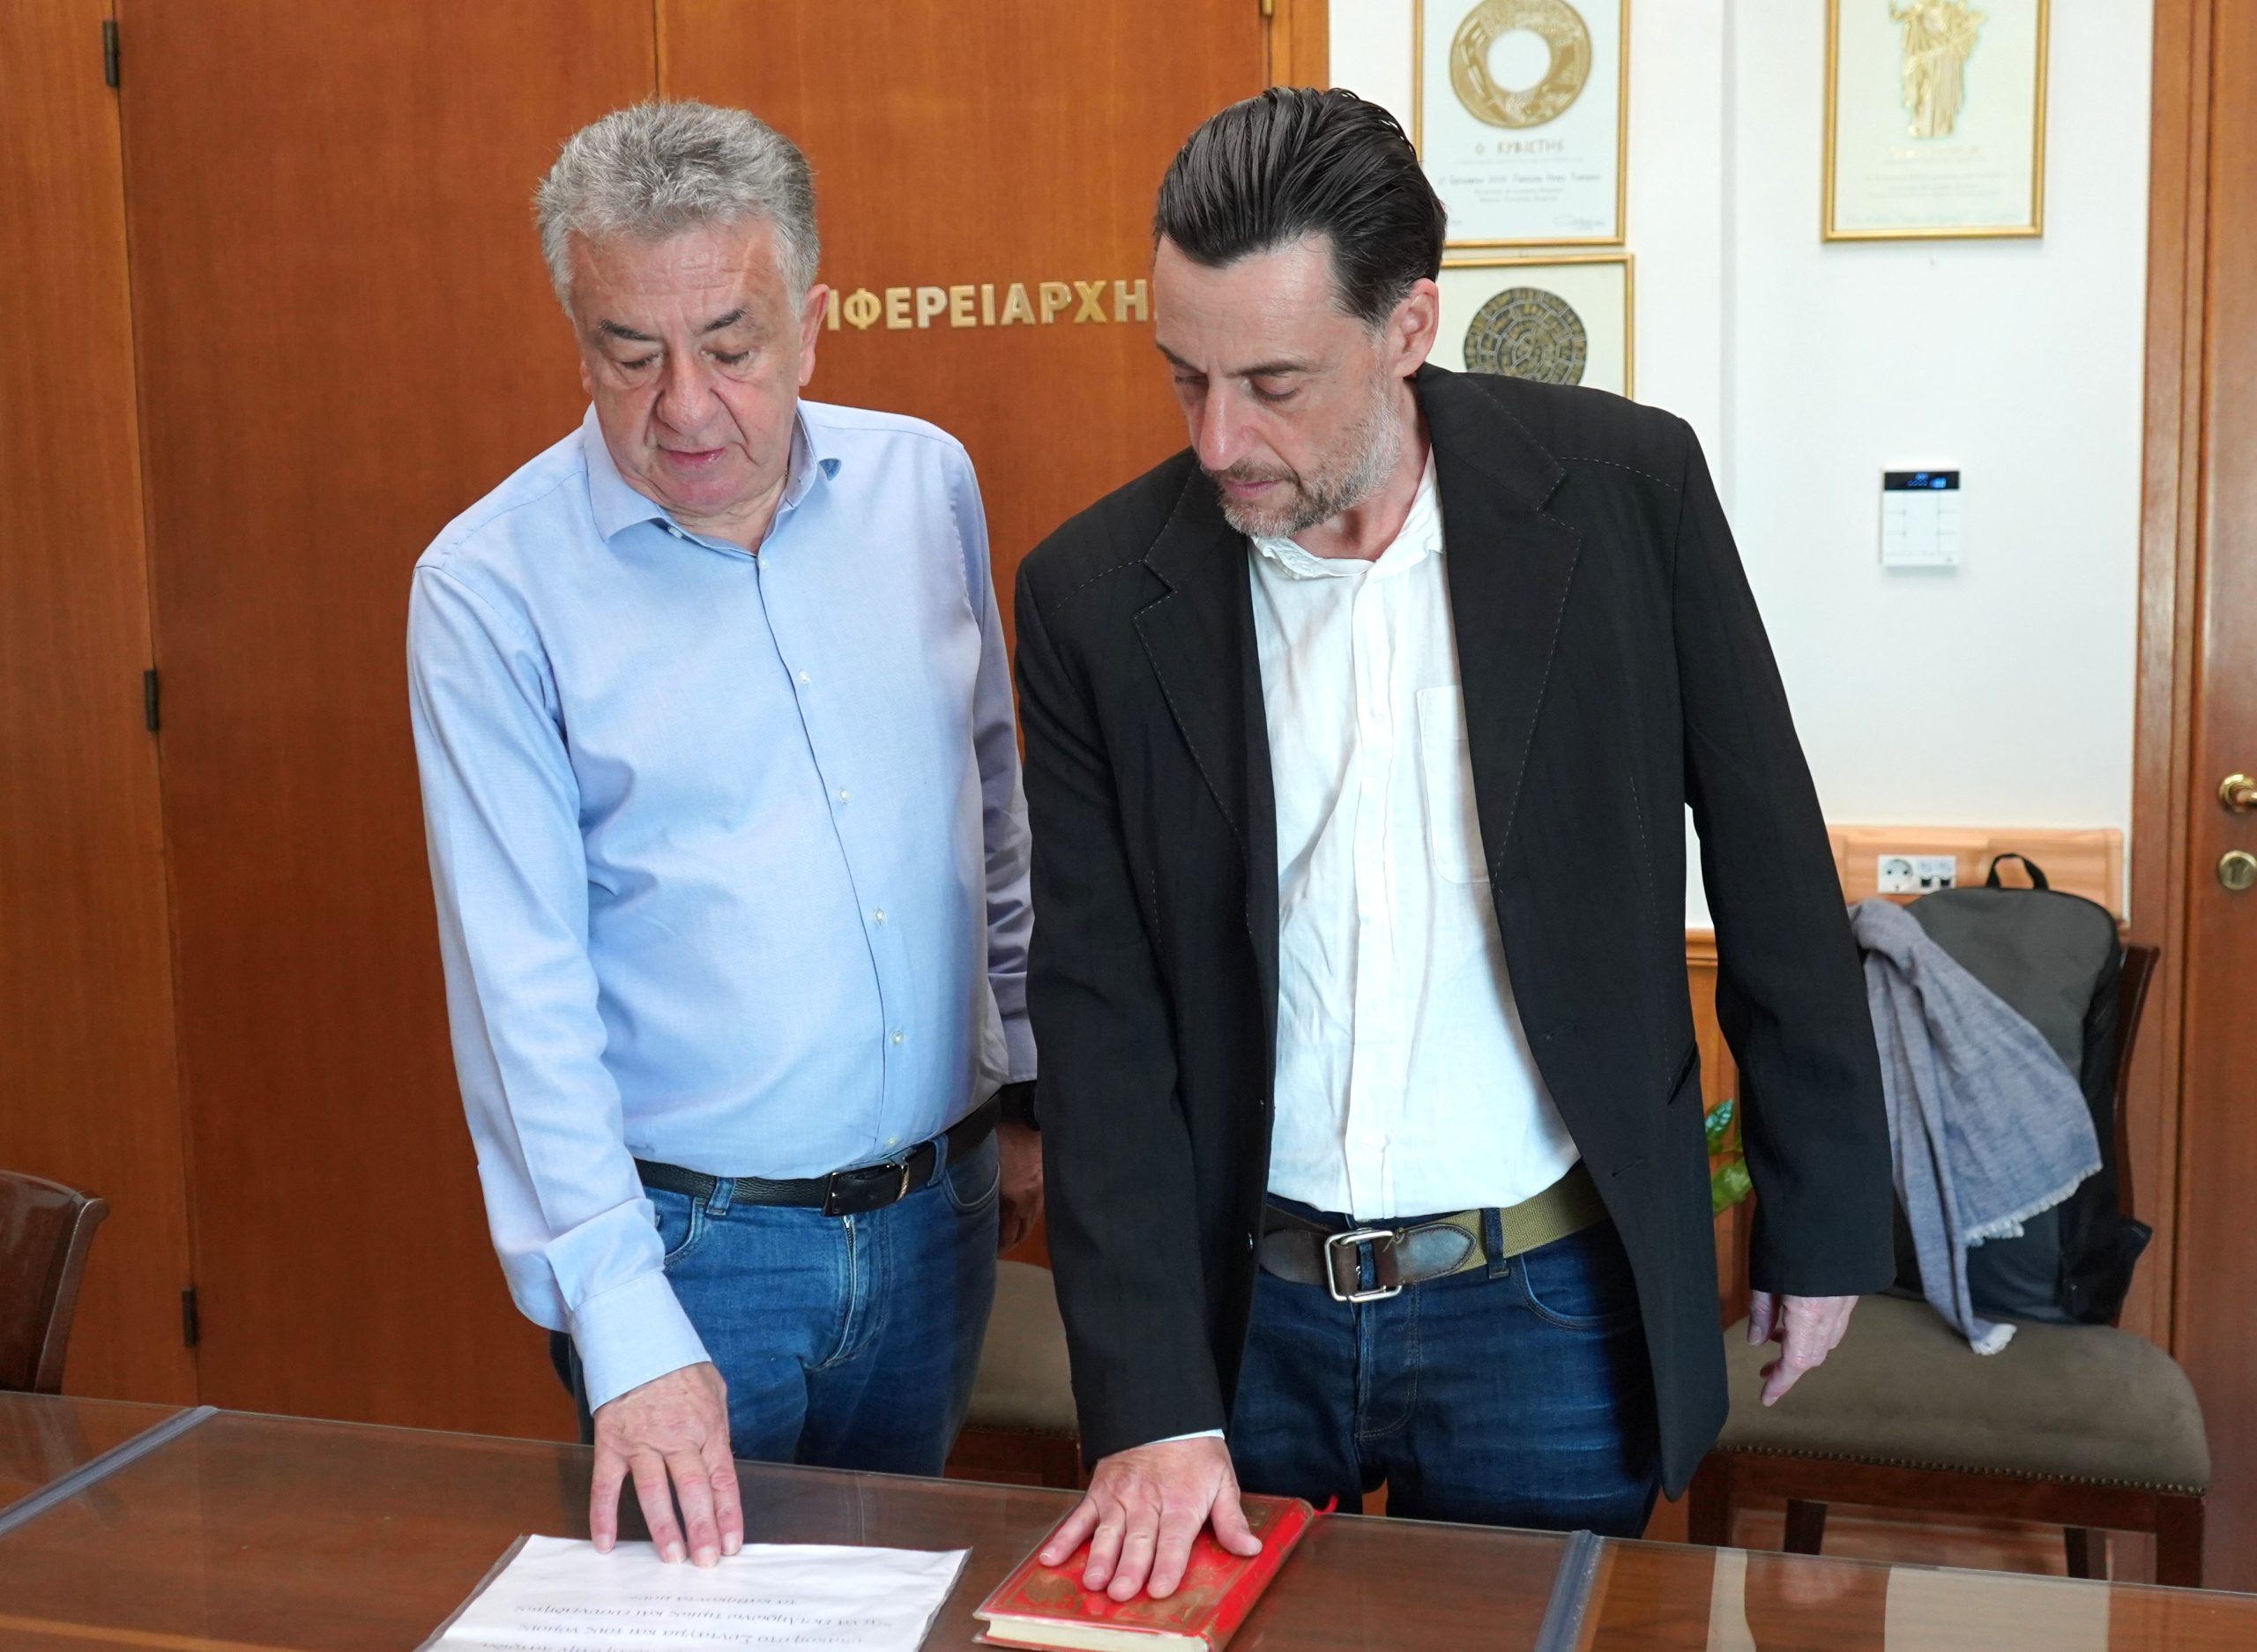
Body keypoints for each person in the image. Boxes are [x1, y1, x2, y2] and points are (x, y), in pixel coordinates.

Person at [1013, 87, 1893, 1604]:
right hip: (1241, 1316)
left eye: (1273, 384)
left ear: (1409, 326)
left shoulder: (1627, 496)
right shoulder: (1092, 593)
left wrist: (1818, 1221)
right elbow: (1097, 1011)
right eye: (1186, 377)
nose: (1219, 439)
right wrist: (1149, 1396)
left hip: (1547, 1305)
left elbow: (1771, 861)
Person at [406, 100, 1039, 1570]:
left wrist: (1019, 1092)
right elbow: (521, 997)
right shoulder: (488, 588)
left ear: (812, 325)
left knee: (895, 1609)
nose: (685, 406)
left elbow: (993, 809)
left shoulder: (923, 485)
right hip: (694, 1254)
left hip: (940, 1215)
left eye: (731, 346)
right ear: (580, 342)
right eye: (631, 353)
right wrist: (624, 1324)